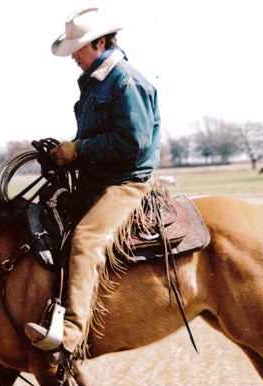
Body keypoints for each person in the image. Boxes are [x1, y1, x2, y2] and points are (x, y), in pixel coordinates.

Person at [25, 7, 161, 358]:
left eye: (79, 48)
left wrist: (77, 151)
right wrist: (66, 152)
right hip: (97, 179)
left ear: (100, 43)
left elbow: (133, 143)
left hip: (126, 182)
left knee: (85, 240)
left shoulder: (126, 81)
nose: (73, 56)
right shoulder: (97, 82)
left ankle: (71, 332)